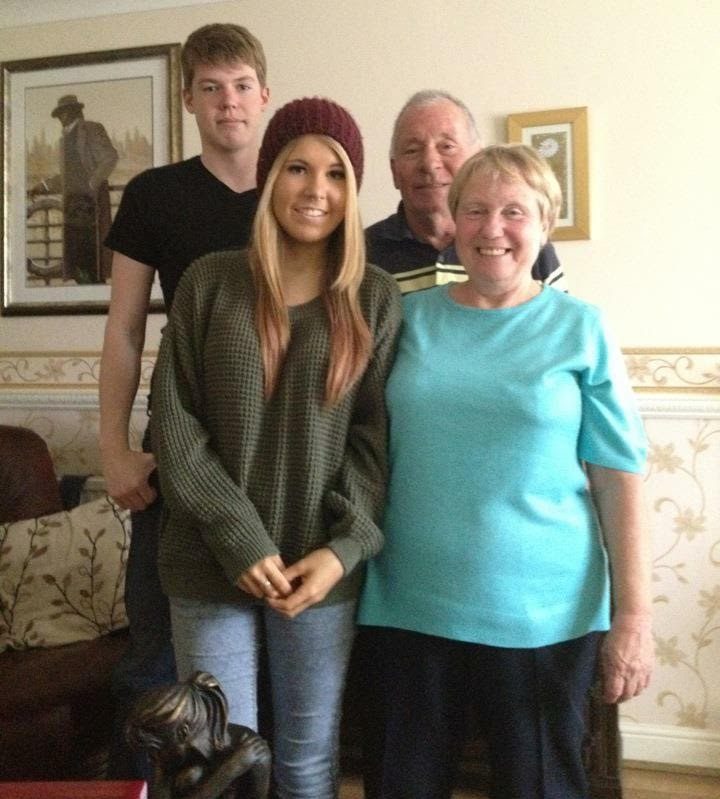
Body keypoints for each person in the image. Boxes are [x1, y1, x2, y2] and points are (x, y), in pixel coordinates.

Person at [358, 144, 653, 799]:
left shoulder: (582, 327)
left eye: (514, 211)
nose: (493, 228)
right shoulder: (406, 319)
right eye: (476, 210)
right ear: (453, 224)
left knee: (541, 785)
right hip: (410, 602)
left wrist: (634, 617)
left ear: (545, 225)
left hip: (543, 614)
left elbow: (617, 475)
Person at [149, 97, 402, 798]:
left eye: (336, 173)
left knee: (307, 762)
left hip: (319, 571)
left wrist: (342, 549)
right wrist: (238, 535)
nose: (316, 189)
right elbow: (176, 425)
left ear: (353, 191)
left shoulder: (374, 299)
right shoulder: (208, 282)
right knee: (219, 768)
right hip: (208, 563)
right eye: (297, 167)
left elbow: (374, 442)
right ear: (268, 178)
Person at [98, 23, 270, 780]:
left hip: (277, 458)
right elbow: (126, 329)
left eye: (240, 85)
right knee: (156, 652)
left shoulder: (302, 187)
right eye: (210, 87)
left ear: (264, 94)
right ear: (189, 99)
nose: (227, 102)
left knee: (266, 656)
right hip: (178, 450)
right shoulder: (154, 195)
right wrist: (112, 446)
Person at [365, 89, 566, 293]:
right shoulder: (361, 254)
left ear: (477, 158)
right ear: (394, 170)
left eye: (447, 146)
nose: (429, 163)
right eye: (412, 150)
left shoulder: (522, 247)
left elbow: (558, 319)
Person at [126, 671, 271, 799]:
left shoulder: (251, 750)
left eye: (155, 750)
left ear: (183, 732)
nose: (152, 758)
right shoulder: (169, 757)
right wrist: (228, 771)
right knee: (192, 776)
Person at [31, 94, 118, 284]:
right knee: (77, 258)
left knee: (93, 257)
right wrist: (43, 186)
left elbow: (110, 157)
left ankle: (93, 292)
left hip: (91, 204)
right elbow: (67, 176)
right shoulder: (64, 140)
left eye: (63, 113)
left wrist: (91, 185)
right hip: (73, 207)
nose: (61, 118)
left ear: (74, 112)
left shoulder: (91, 129)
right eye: (59, 114)